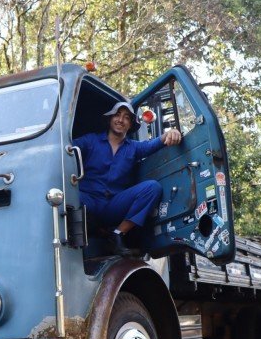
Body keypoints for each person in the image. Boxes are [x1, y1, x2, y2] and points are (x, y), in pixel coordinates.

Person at [72, 101, 182, 255]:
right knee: (68, 195)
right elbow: (67, 147)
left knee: (152, 187)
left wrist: (172, 132)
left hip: (113, 205)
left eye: (126, 118)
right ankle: (85, 234)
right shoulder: (91, 140)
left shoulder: (134, 147)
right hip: (88, 201)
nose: (120, 120)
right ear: (110, 119)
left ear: (130, 125)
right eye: (117, 115)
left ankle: (116, 234)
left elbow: (155, 143)